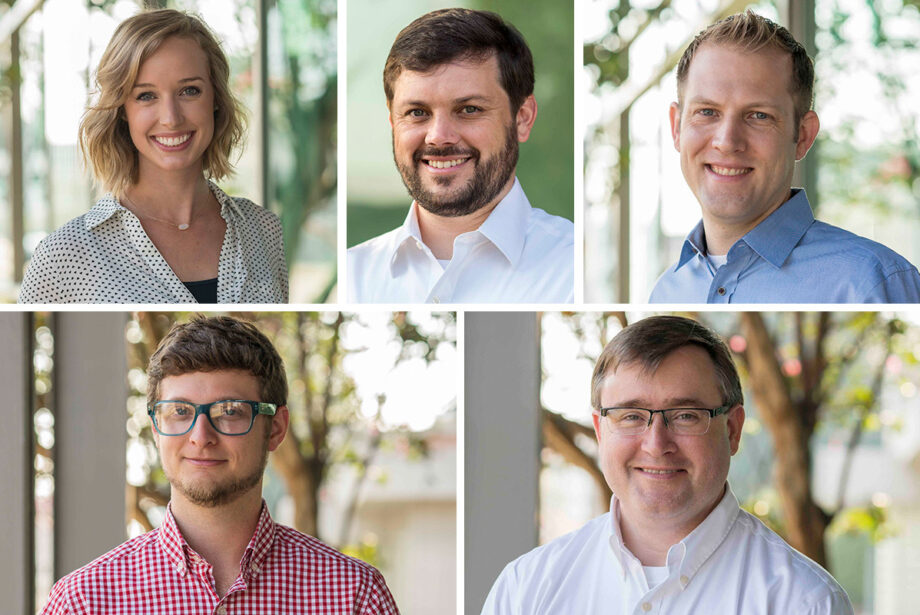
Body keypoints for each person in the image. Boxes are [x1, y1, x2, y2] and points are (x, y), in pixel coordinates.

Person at [482, 315, 854, 614]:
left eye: (686, 415)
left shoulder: (805, 602)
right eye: (630, 415)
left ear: (733, 430)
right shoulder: (525, 589)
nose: (656, 444)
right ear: (600, 431)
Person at [42, 316, 398, 614]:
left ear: (275, 428)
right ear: (155, 428)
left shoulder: (353, 596)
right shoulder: (83, 602)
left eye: (229, 412)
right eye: (179, 412)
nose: (200, 436)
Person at [19, 10, 288, 303]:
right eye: (146, 95)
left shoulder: (264, 230)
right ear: (122, 110)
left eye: (189, 90)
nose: (171, 118)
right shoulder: (63, 257)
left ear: (215, 98)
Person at [650, 11, 920, 303]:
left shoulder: (872, 283)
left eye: (758, 115)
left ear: (803, 135)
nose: (727, 142)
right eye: (707, 112)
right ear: (676, 126)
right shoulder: (664, 293)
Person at [347, 8, 574, 304]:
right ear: (393, 122)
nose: (439, 136)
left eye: (469, 109)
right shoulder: (354, 277)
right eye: (417, 113)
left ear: (522, 118)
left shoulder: (572, 269)